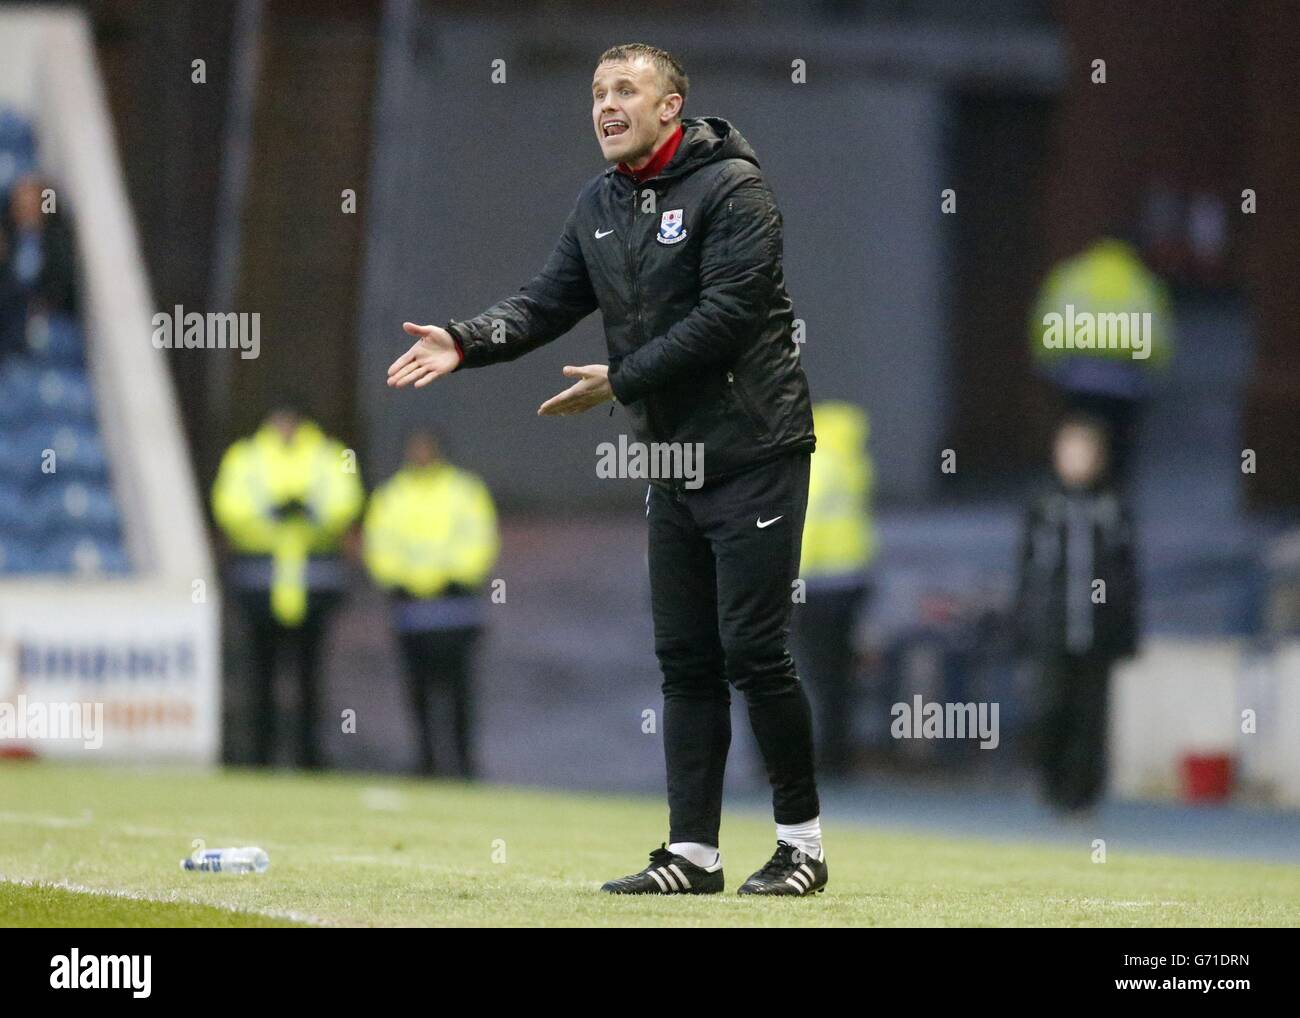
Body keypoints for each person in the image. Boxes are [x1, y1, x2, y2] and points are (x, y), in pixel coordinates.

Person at [387, 44, 826, 895]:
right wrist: (466, 339)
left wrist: (620, 380)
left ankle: (802, 845)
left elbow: (727, 317)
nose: (606, 105)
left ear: (672, 107)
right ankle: (693, 854)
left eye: (626, 89)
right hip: (673, 460)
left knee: (755, 653)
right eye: (597, 92)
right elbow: (549, 301)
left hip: (754, 451)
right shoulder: (601, 202)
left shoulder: (735, 190)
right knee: (685, 659)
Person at [211, 407, 364, 768]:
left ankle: (309, 757)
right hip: (260, 585)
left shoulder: (328, 454)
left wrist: (309, 513)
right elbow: (229, 508)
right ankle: (260, 756)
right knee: (260, 675)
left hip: (314, 585)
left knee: (310, 677)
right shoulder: (245, 456)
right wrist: (274, 516)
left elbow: (346, 504)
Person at [1014, 414, 1140, 816]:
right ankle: (1050, 785)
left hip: (1096, 635)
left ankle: (1082, 796)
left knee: (1091, 717)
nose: (1077, 460)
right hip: (1052, 631)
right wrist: (1024, 626)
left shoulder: (1113, 506)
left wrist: (1126, 631)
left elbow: (1127, 575)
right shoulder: (1043, 505)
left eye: (1085, 452)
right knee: (1051, 708)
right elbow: (1026, 571)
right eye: (1070, 451)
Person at [363, 430, 499, 778]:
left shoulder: (464, 491)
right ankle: (425, 761)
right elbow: (379, 544)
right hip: (412, 609)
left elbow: (480, 538)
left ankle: (463, 762)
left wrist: (454, 575)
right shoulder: (392, 495)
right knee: (418, 690)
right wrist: (401, 579)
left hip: (455, 608)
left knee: (459, 690)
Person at [1030, 235, 1173, 483]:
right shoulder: (1142, 282)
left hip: (1077, 377)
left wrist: (1047, 367)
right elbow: (1159, 337)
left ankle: (1071, 487)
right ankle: (1114, 495)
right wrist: (1153, 375)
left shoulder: (1071, 275)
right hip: (1124, 380)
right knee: (1119, 444)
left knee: (1077, 437)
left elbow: (1046, 322)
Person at [791, 401, 877, 778]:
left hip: (813, 582)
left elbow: (804, 526)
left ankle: (810, 758)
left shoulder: (818, 463)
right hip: (851, 579)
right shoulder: (854, 461)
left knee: (805, 674)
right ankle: (837, 757)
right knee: (837, 675)